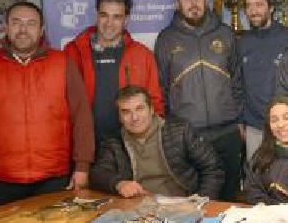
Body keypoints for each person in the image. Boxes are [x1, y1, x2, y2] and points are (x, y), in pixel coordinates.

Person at [0, 1, 94, 209]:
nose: (23, 30)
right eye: (16, 23)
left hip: (54, 179)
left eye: (31, 24)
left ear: (41, 30)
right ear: (6, 27)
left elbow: (81, 118)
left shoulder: (63, 63)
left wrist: (82, 167)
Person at [154, 0, 243, 201]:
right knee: (197, 201)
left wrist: (239, 120)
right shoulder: (166, 39)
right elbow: (161, 86)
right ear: (178, 4)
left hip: (227, 133)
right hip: (189, 135)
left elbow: (238, 81)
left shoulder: (225, 34)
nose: (193, 3)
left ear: (206, 0)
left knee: (230, 198)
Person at [64, 0, 164, 146]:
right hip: (86, 145)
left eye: (117, 17)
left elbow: (154, 102)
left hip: (132, 145)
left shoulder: (142, 54)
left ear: (126, 20)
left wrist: (152, 144)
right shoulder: (73, 52)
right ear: (96, 16)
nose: (109, 23)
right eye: (104, 15)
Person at [90, 85, 224, 199]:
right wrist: (118, 184)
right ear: (120, 117)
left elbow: (213, 168)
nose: (134, 118)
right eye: (126, 112)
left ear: (151, 109)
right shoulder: (114, 141)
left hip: (183, 204)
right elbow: (98, 173)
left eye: (139, 109)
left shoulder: (180, 131)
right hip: (138, 207)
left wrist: (202, 201)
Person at [237, 0, 288, 160]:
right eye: (249, 5)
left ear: (271, 8)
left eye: (259, 4)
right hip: (255, 127)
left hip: (285, 126)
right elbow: (238, 85)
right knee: (257, 180)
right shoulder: (242, 43)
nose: (253, 10)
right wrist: (241, 121)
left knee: (287, 182)